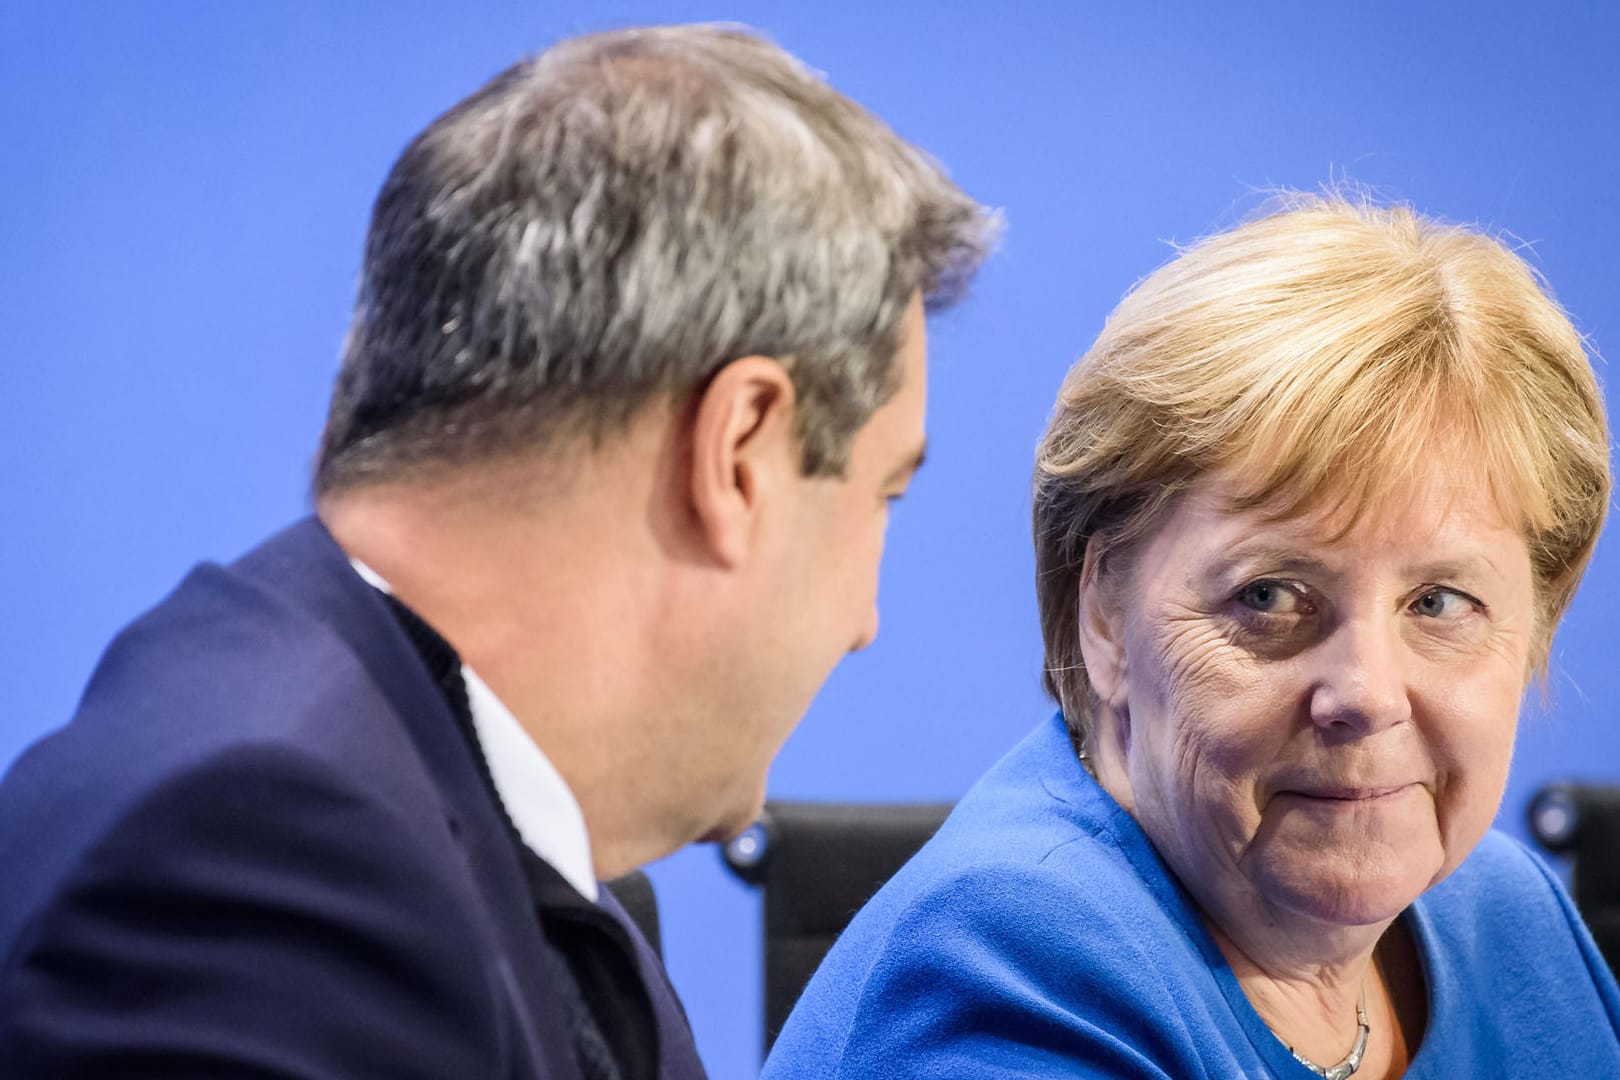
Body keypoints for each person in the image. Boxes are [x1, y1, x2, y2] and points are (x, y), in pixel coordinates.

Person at [0, 24, 995, 1079]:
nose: (865, 624)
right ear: (738, 453)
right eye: (883, 493)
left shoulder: (432, 802)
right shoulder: (261, 859)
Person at [763, 195, 1620, 1078]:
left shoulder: (1506, 921)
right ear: (1104, 614)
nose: (1366, 693)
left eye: (1439, 604)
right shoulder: (1007, 974)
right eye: (1270, 595)